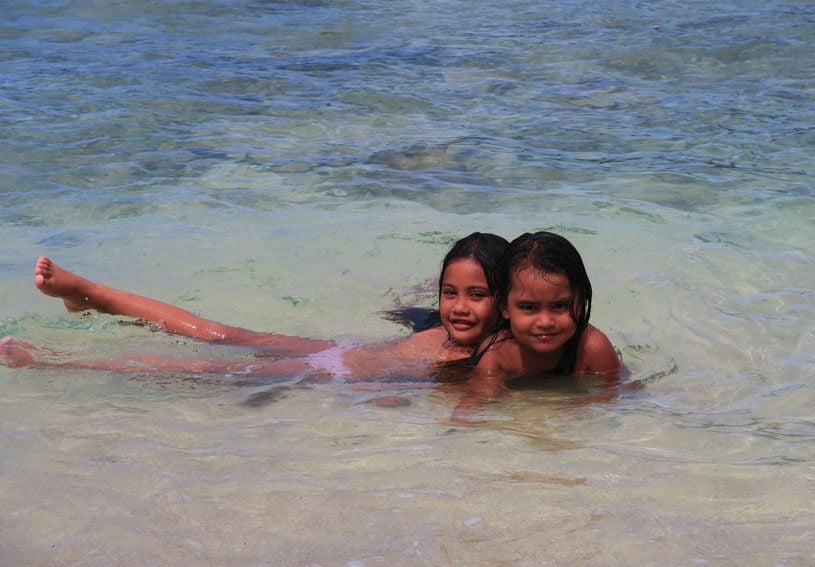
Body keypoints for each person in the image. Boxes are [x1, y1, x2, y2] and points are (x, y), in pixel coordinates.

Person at [2, 233, 509, 382]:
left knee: (200, 368)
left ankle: (52, 359)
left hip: (325, 370)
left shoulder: (501, 348)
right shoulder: (450, 331)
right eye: (450, 293)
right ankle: (90, 292)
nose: (459, 308)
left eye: (477, 295)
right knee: (219, 333)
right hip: (337, 353)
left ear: (505, 301)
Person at [451, 231, 620, 420]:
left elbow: (615, 394)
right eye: (529, 307)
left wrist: (580, 410)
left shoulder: (593, 347)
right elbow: (474, 400)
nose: (545, 322)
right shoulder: (497, 352)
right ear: (504, 306)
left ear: (580, 301)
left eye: (559, 305)